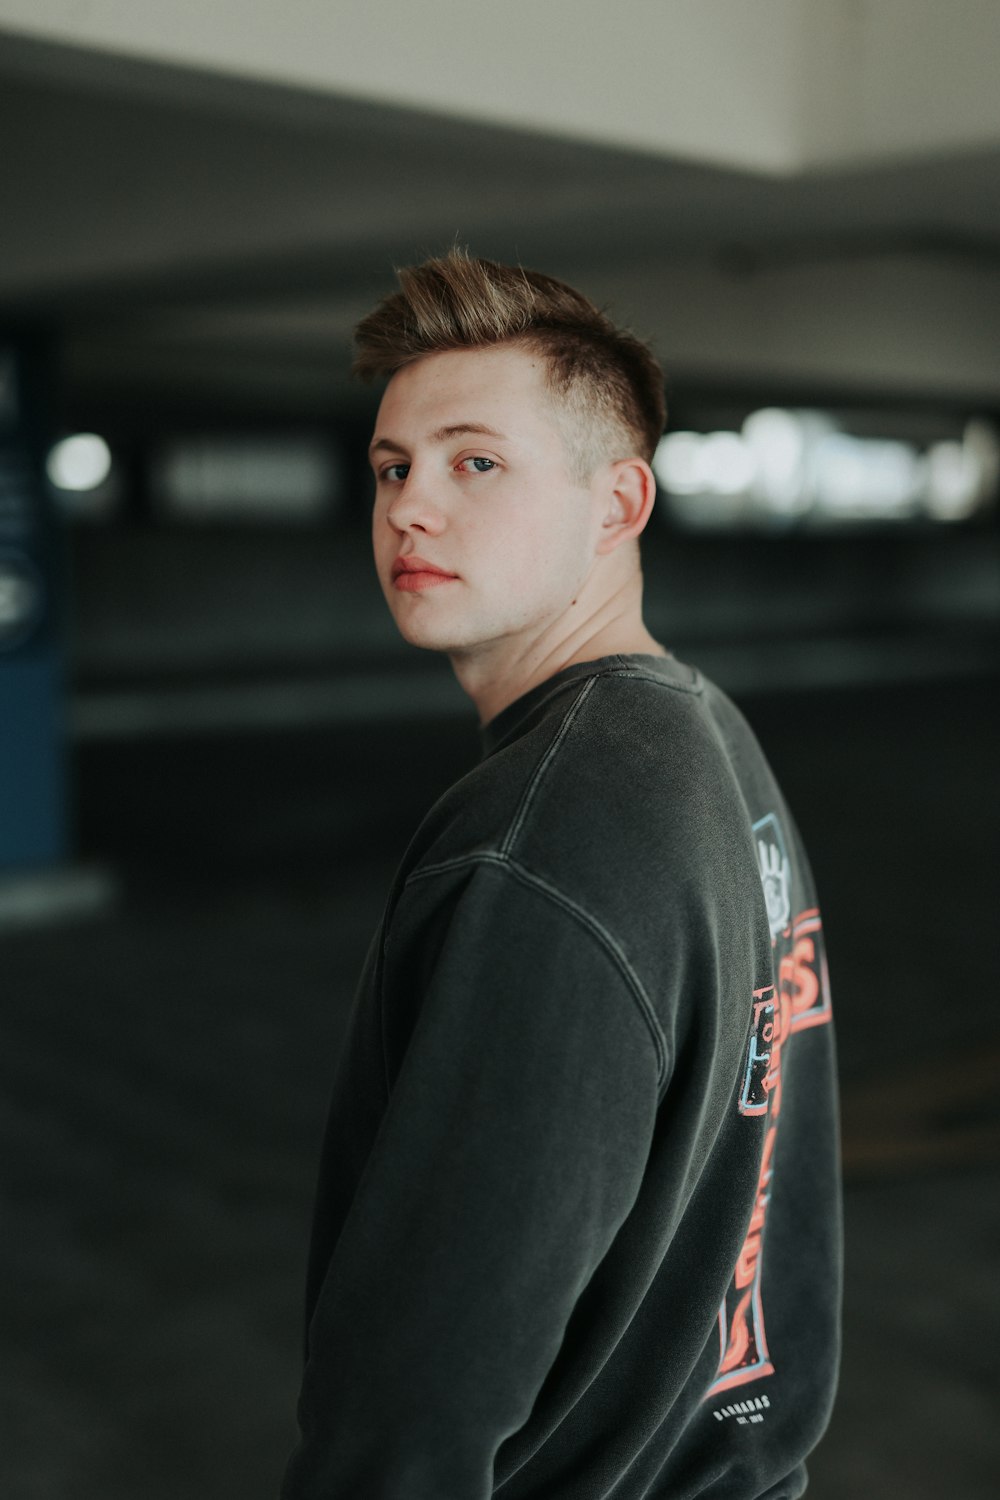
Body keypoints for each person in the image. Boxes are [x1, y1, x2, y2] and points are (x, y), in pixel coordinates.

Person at [281, 250, 841, 1499]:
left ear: (618, 504)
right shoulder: (701, 735)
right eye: (392, 468)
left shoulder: (547, 827)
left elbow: (418, 1409)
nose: (411, 507)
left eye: (476, 462)